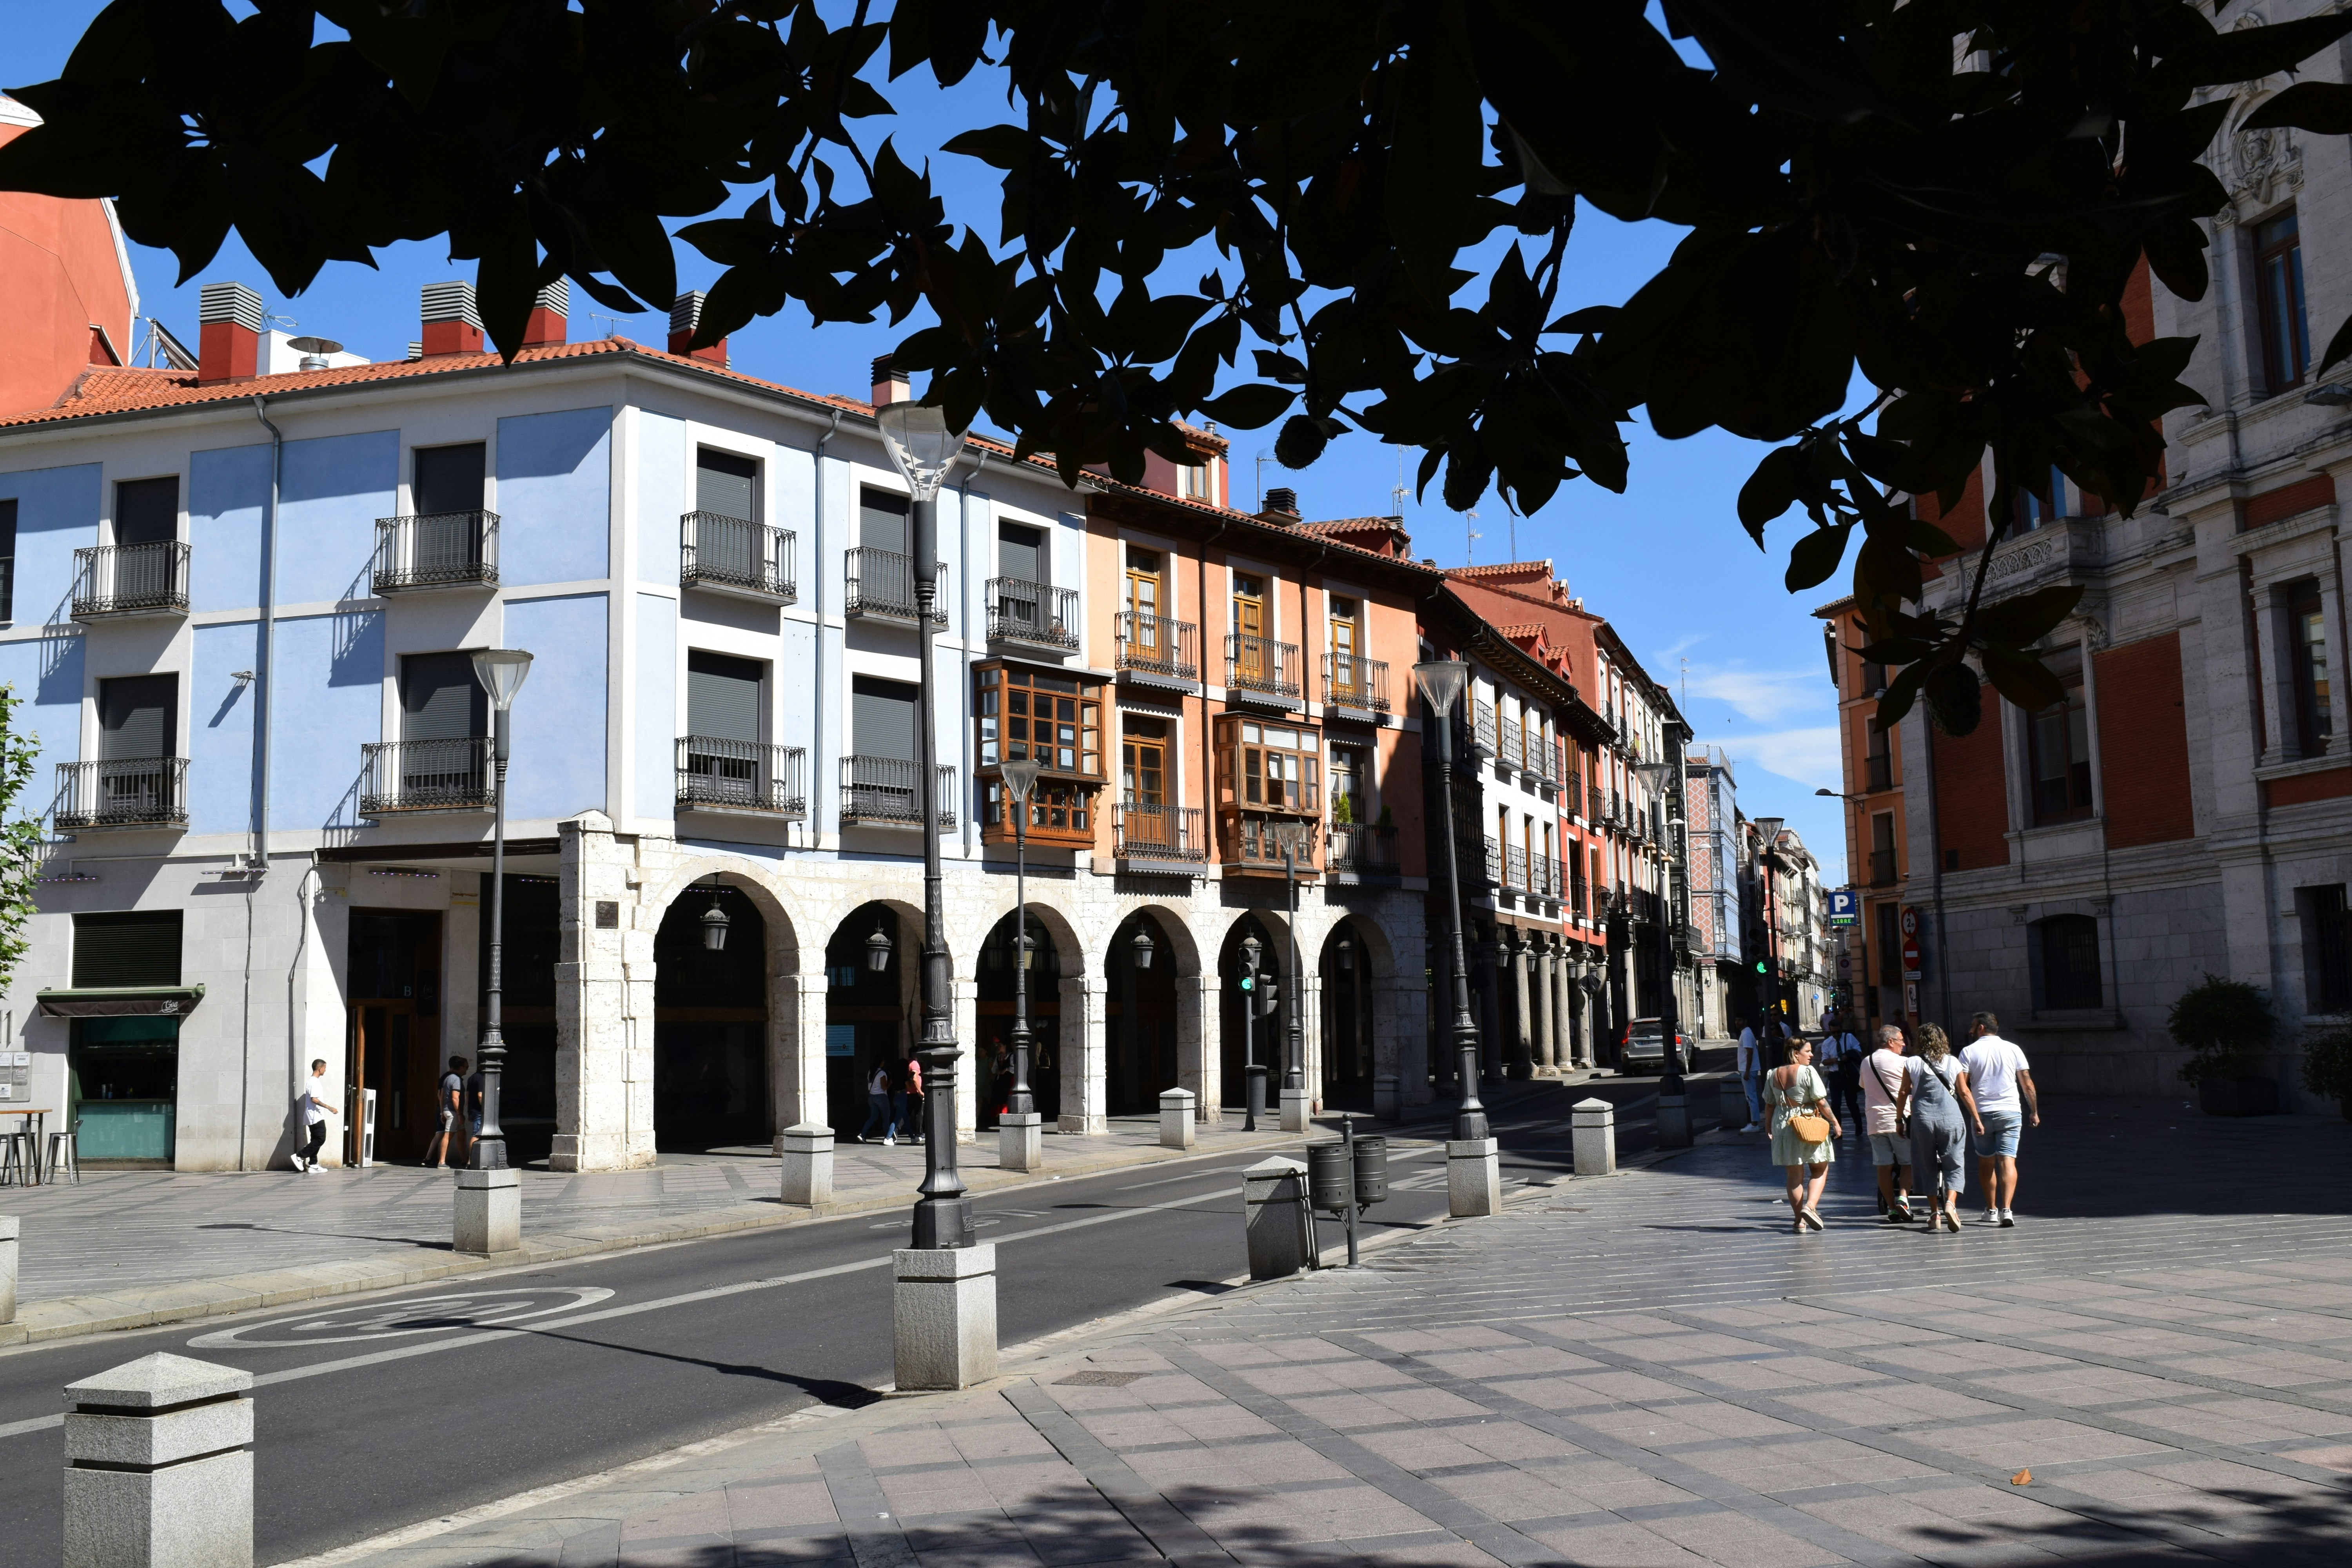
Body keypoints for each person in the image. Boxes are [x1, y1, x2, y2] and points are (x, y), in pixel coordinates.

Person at [1895, 1024, 1985, 1232]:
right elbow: (1964, 1092)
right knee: (1954, 1163)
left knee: (1925, 1165)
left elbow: (1903, 1093)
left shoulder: (1912, 1062)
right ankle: (1950, 1204)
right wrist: (1977, 1119)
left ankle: (1934, 1213)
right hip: (1951, 1118)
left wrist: (1899, 1120)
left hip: (1923, 1119)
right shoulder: (1953, 1062)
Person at [1960, 1011, 2038, 1227]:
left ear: (1982, 1028)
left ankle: (1991, 1210)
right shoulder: (2014, 1049)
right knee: (2008, 1161)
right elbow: (2027, 1083)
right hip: (2011, 1111)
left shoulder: (1968, 1052)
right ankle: (2007, 1210)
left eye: (1973, 1026)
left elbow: (1963, 1086)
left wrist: (1973, 1114)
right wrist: (2034, 1111)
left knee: (1986, 1162)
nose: (1971, 1030)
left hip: (1983, 1113)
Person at [1766, 1036, 1840, 1232]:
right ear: (1796, 1053)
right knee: (1820, 1169)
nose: (1812, 1055)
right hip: (1806, 1122)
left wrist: (1768, 1127)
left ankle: (1800, 1221)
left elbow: (1769, 1104)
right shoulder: (1808, 1072)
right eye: (1808, 1051)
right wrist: (1834, 1122)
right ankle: (1811, 1207)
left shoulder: (1773, 1074)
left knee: (1794, 1176)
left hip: (1782, 1124)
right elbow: (1821, 1101)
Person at [1858, 1025, 1913, 1222]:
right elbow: (1911, 1090)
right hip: (1899, 1120)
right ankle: (1903, 1199)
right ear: (1890, 1042)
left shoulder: (1867, 1062)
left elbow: (1864, 1086)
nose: (1904, 1044)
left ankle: (1891, 1208)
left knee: (1883, 1166)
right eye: (1900, 1041)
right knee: (1908, 1162)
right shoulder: (1904, 1062)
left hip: (1875, 1122)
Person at [294, 1058, 338, 1174]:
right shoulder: (314, 1082)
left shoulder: (312, 1081)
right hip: (315, 1116)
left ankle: (313, 1164)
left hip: (313, 1116)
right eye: (325, 1068)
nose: (325, 1070)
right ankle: (299, 1156)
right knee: (320, 1139)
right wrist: (330, 1108)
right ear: (320, 1068)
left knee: (315, 1139)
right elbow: (315, 1099)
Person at [1822, 1017, 1865, 1132]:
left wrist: (1847, 1056)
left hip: (1848, 1075)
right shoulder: (1827, 1043)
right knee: (1836, 1105)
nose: (1836, 1035)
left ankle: (1859, 1126)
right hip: (1835, 1076)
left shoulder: (1849, 1038)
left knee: (1852, 1103)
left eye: (1838, 1032)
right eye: (1833, 1033)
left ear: (1841, 1030)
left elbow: (1859, 1051)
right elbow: (1824, 1061)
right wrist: (1834, 1060)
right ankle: (1838, 1130)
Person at [423, 1056, 467, 1168]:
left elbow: (441, 1095)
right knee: (447, 1135)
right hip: (453, 1111)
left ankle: (465, 1159)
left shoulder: (446, 1078)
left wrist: (443, 1112)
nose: (467, 1070)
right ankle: (441, 1161)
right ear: (461, 1067)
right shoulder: (455, 1079)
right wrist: (460, 1114)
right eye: (466, 1067)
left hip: (447, 1110)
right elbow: (455, 1098)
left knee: (460, 1133)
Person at [1733, 1016, 1763, 1133]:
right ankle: (1753, 1122)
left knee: (1751, 1097)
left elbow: (1749, 1053)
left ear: (1745, 1020)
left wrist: (1747, 1070)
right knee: (1750, 1096)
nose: (1737, 1022)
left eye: (1740, 1019)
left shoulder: (1746, 1034)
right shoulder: (1746, 1033)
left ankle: (1754, 1124)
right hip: (1747, 1069)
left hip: (1748, 1070)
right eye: (1736, 1020)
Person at [858, 1060, 895, 1145]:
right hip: (881, 1097)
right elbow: (884, 1088)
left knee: (873, 1117)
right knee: (886, 1118)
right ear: (881, 1063)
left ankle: (863, 1134)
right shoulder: (882, 1073)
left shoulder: (870, 1072)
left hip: (871, 1097)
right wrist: (890, 1082)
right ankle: (887, 1138)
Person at [900, 1053, 925, 1143]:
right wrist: (920, 1091)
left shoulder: (908, 1063)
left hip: (908, 1092)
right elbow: (915, 1078)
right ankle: (919, 1133)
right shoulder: (914, 1063)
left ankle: (896, 1129)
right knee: (919, 1113)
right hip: (914, 1092)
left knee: (906, 1113)